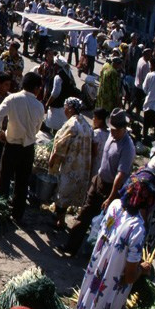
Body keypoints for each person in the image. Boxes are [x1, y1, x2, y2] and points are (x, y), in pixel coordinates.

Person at [74, 175, 155, 309]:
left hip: (96, 274)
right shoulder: (137, 229)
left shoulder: (115, 206)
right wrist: (143, 269)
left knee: (87, 307)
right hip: (110, 286)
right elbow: (128, 277)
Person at [63, 108, 136, 256]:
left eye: (116, 130)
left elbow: (121, 175)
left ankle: (95, 255)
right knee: (84, 213)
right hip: (99, 180)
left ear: (124, 128)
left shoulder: (127, 147)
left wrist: (110, 197)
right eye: (112, 129)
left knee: (105, 224)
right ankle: (71, 247)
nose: (113, 132)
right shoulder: (112, 135)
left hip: (111, 188)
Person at [0, 71, 46, 223]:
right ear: (35, 88)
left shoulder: (12, 98)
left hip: (11, 146)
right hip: (28, 148)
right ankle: (17, 215)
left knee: (3, 180)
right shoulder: (39, 106)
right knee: (22, 183)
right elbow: (37, 128)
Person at [49, 97, 93, 229]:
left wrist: (54, 159)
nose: (64, 109)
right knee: (70, 192)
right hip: (82, 165)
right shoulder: (85, 124)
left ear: (71, 108)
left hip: (70, 164)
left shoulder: (72, 124)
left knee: (63, 191)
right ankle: (60, 217)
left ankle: (60, 221)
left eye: (66, 107)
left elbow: (61, 144)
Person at [90, 108, 110, 177]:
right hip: (105, 164)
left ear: (100, 120)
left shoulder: (96, 133)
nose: (93, 119)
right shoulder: (109, 132)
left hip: (96, 165)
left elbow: (94, 153)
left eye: (94, 117)